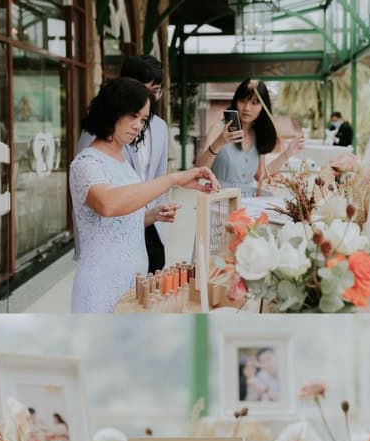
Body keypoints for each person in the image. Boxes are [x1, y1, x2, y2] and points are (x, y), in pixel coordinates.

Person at [70, 77, 219, 313]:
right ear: (112, 111)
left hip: (134, 283)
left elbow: (117, 223)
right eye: (133, 116)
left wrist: (150, 215)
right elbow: (108, 204)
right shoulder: (86, 164)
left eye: (143, 119)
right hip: (101, 285)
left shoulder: (122, 160)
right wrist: (173, 178)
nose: (138, 125)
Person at [78, 55, 169, 272]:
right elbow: (92, 194)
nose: (152, 97)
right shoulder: (97, 134)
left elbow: (158, 176)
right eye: (149, 90)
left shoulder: (159, 127)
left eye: (157, 91)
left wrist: (157, 214)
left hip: (150, 226)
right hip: (110, 234)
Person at [195, 78, 305, 195]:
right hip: (221, 200)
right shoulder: (218, 128)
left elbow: (260, 175)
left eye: (254, 103)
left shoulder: (258, 134)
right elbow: (199, 167)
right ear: (236, 101)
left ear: (263, 106)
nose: (247, 108)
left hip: (249, 203)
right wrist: (219, 142)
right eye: (243, 100)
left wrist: (288, 152)